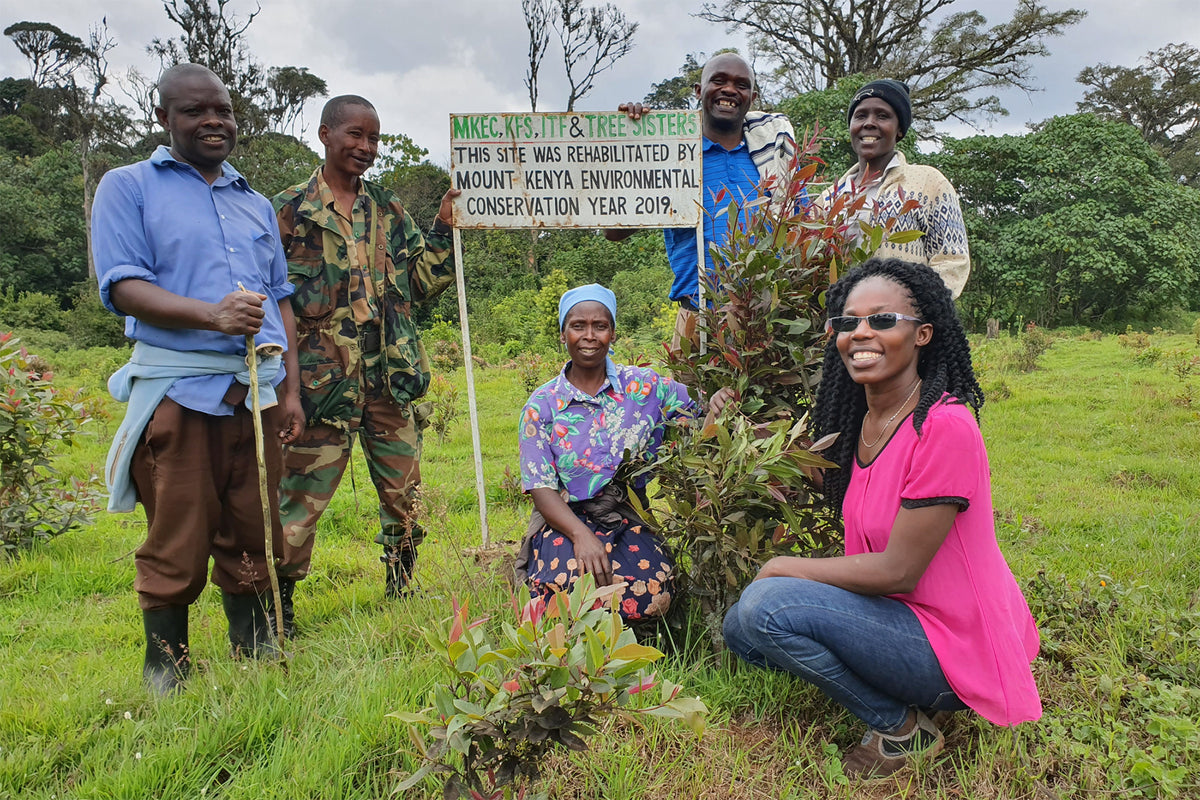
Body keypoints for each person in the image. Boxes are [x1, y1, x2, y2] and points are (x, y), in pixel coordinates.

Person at [723, 258, 1040, 779]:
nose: (861, 333)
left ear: (923, 334)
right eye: (847, 323)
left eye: (882, 320)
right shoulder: (862, 421)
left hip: (955, 643)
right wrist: (736, 428)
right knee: (741, 627)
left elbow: (898, 571)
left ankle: (902, 729)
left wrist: (785, 564)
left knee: (766, 606)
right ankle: (897, 690)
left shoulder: (945, 426)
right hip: (900, 619)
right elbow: (831, 487)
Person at [92, 63, 303, 694]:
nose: (214, 121)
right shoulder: (127, 187)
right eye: (194, 111)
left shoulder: (254, 202)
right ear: (164, 119)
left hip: (256, 394)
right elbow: (124, 287)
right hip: (180, 392)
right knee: (179, 530)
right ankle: (167, 663)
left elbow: (282, 300)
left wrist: (290, 390)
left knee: (253, 524)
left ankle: (257, 646)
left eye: (223, 111)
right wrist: (212, 316)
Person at [272, 95, 461, 630]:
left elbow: (422, 284)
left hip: (388, 378)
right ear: (325, 134)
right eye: (355, 135)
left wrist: (444, 229)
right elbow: (269, 298)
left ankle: (401, 584)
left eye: (374, 138)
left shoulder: (388, 210)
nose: (365, 147)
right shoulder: (287, 211)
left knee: (405, 492)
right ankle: (280, 605)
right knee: (298, 500)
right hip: (317, 385)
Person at [516, 285, 732, 624]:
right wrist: (580, 535)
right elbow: (540, 488)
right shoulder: (542, 405)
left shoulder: (644, 387)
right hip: (564, 517)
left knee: (652, 590)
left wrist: (718, 401)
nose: (589, 336)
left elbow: (699, 412)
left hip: (626, 512)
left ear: (612, 332)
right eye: (578, 326)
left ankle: (628, 645)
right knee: (565, 588)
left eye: (600, 326)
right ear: (563, 334)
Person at [607, 53, 796, 351]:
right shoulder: (671, 154)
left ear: (753, 97)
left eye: (741, 85)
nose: (729, 90)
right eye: (718, 81)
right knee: (690, 400)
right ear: (698, 90)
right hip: (697, 318)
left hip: (765, 318)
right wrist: (635, 144)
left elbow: (800, 226)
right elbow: (614, 232)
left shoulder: (773, 155)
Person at [821, 79, 971, 297]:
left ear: (900, 129)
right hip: (843, 326)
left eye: (882, 116)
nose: (869, 123)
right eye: (860, 115)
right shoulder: (829, 198)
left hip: (906, 324)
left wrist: (910, 309)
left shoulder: (929, 184)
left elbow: (952, 263)